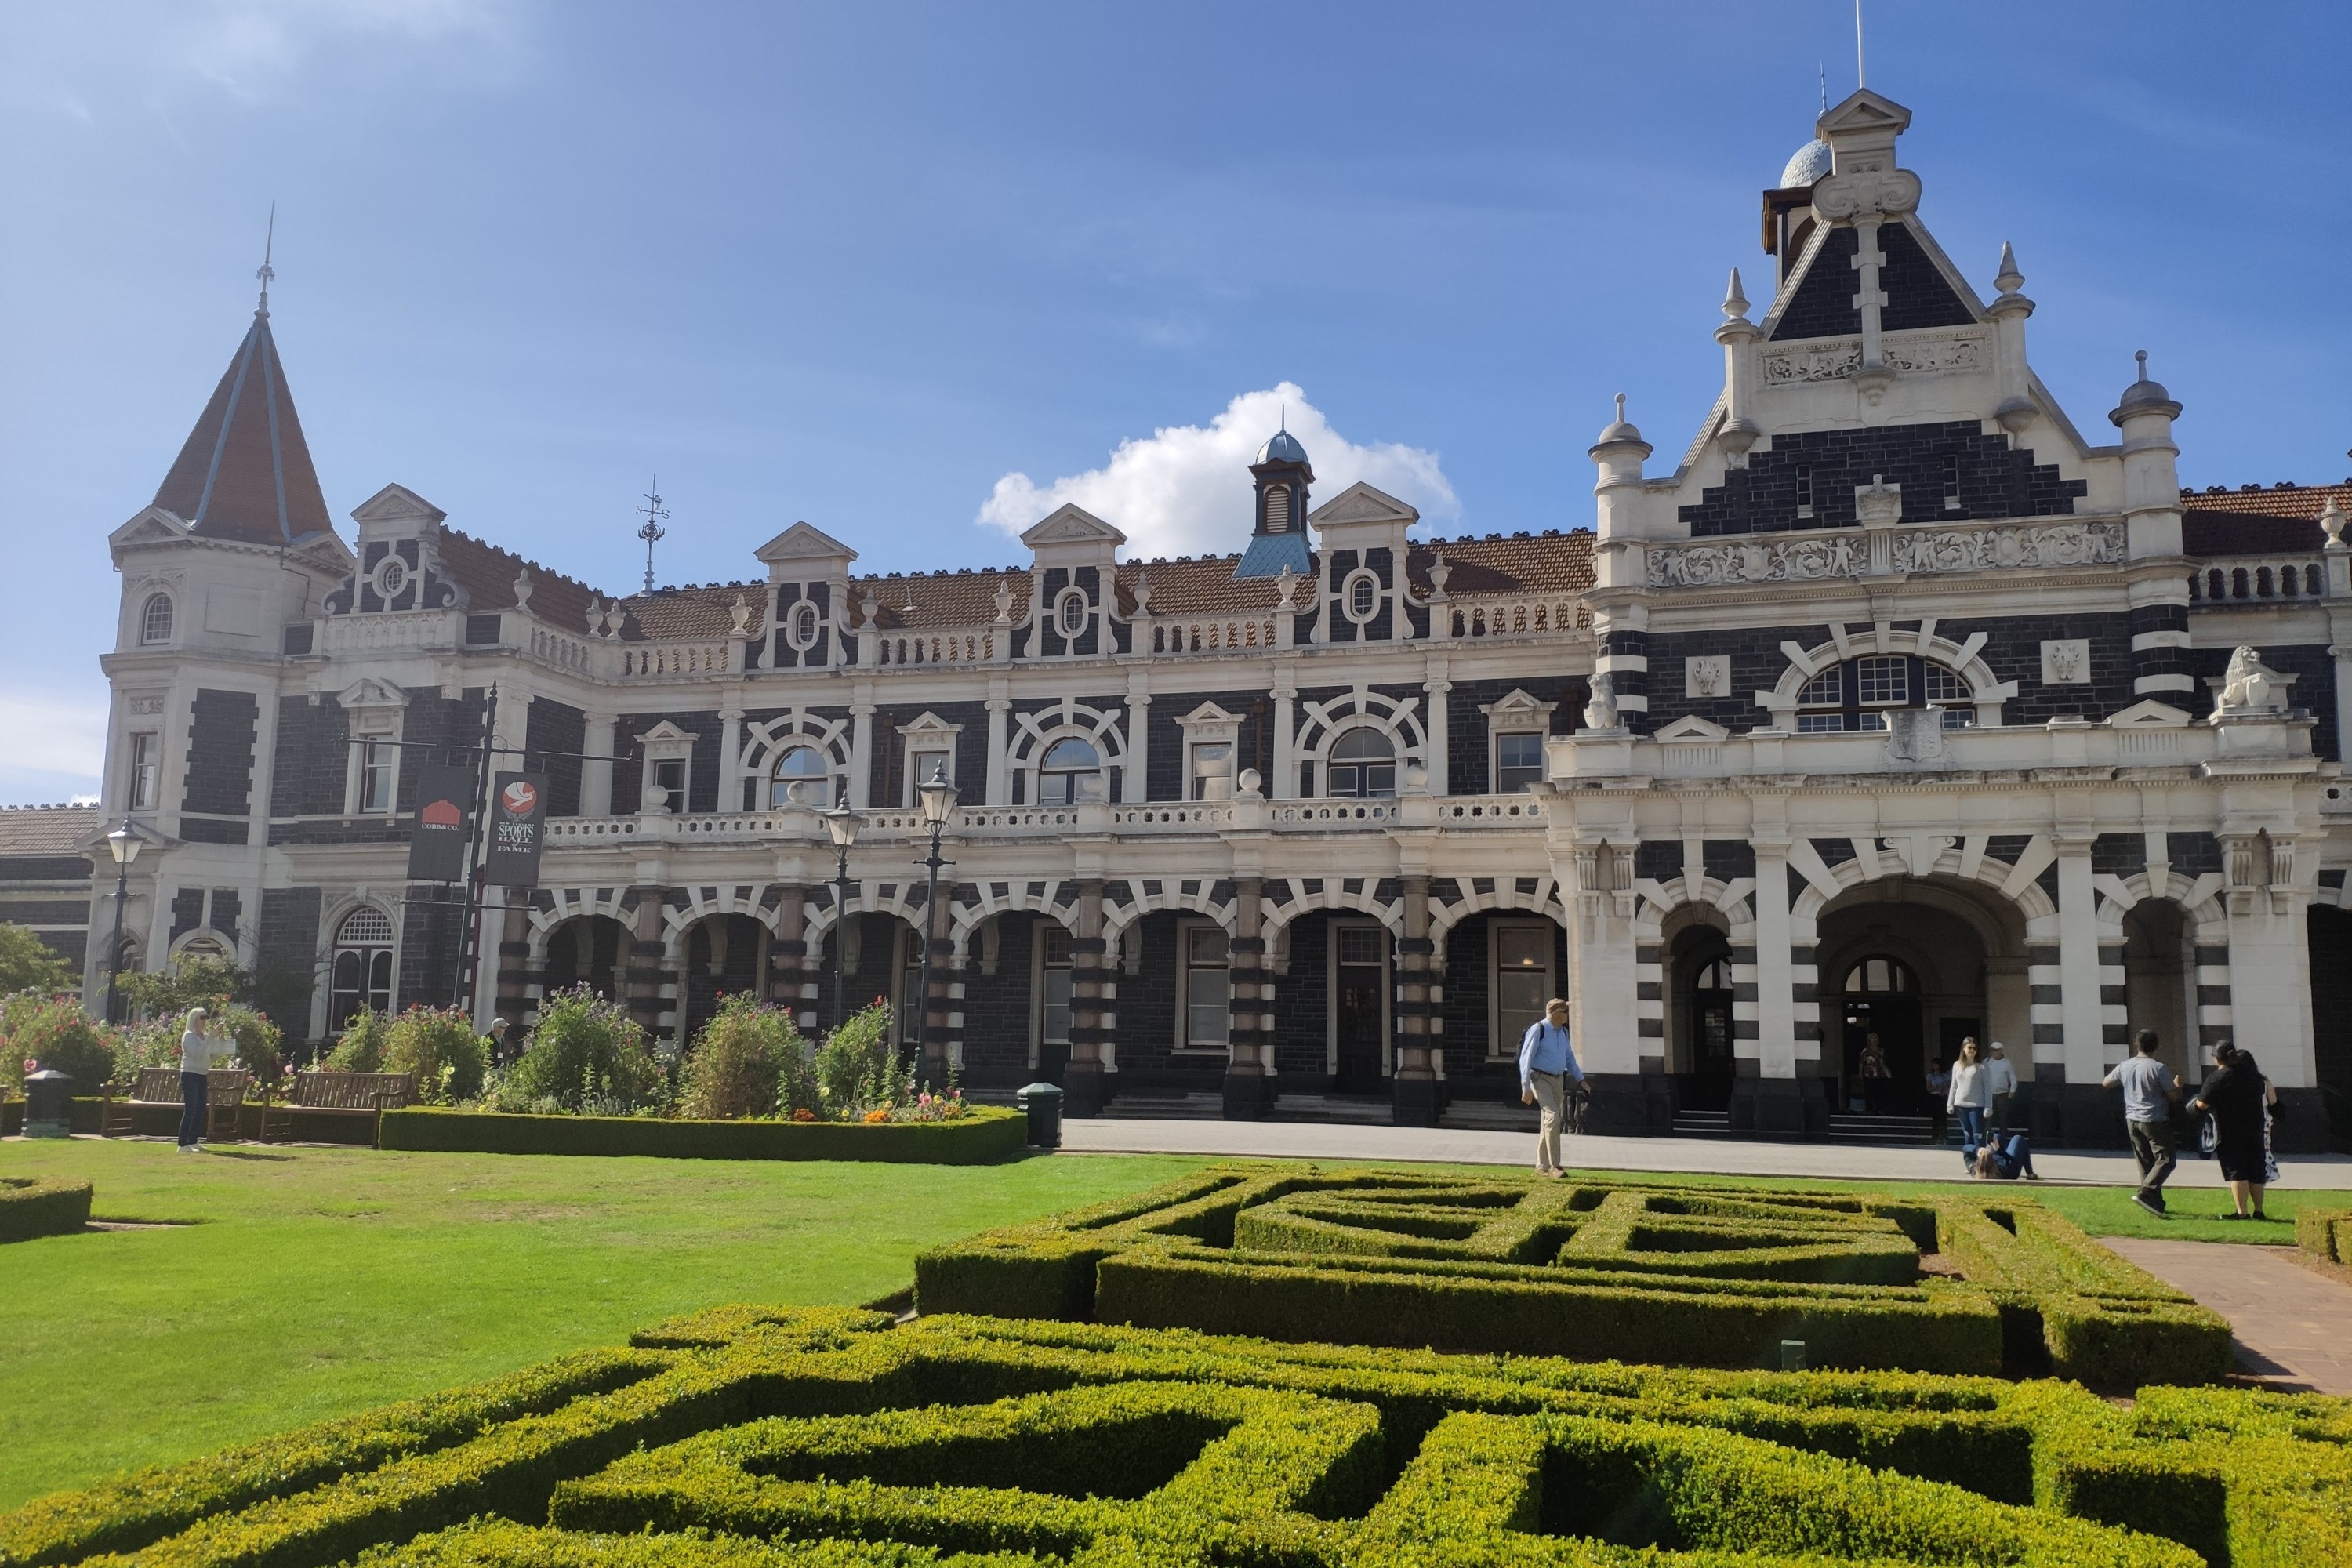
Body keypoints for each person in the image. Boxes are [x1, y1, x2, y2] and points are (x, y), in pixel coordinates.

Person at [2191, 1045, 2278, 1220]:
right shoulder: (2256, 1078)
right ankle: (2259, 1211)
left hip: (2229, 1130)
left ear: (2217, 1058)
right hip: (2255, 1128)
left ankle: (2242, 1212)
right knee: (2255, 1171)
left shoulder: (2217, 1078)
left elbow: (2201, 1105)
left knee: (2237, 1172)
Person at [2102, 1029, 2182, 1218]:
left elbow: (2106, 1083)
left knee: (2146, 1162)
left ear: (2136, 1045)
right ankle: (2146, 1192)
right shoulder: (2158, 1068)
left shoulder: (2125, 1065)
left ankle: (2155, 1203)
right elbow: (2174, 1096)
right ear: (2156, 1046)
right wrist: (2178, 1087)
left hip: (2132, 1119)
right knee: (2166, 1159)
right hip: (2154, 1119)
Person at [1518, 997, 1585, 1178]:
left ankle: (1541, 1166)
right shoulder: (1538, 1030)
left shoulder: (1563, 1032)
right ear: (1555, 1014)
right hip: (1539, 1078)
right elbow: (1526, 1060)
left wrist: (1581, 1078)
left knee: (1548, 1122)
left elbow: (1569, 1057)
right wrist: (1526, 1087)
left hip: (1558, 1080)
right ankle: (1556, 1166)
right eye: (1565, 1012)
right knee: (1553, 1117)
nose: (1568, 1016)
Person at [1946, 1037, 1991, 1168]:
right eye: (1969, 1047)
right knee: (1967, 1135)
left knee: (1978, 1135)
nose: (1972, 1050)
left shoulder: (1981, 1067)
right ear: (1963, 1049)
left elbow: (1987, 1087)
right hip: (1961, 1105)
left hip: (1976, 1106)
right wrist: (1950, 1103)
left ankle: (1981, 1164)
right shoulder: (1957, 1065)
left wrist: (1988, 1106)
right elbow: (1954, 1085)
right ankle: (1970, 1164)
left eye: (1974, 1048)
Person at [176, 1007, 216, 1153]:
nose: (205, 1021)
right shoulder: (188, 1036)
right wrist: (210, 1038)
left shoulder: (204, 1036)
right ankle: (182, 1144)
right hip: (190, 1074)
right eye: (202, 1018)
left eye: (206, 1017)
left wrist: (221, 1045)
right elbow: (197, 1054)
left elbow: (210, 1055)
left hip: (202, 1074)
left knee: (200, 1109)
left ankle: (193, 1140)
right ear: (194, 1019)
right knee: (191, 1108)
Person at [1971, 1129, 2040, 1181]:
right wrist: (1998, 1151)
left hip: (2000, 1162)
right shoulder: (2002, 1168)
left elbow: (1966, 1148)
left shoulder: (1973, 1170)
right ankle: (2030, 1173)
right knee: (2018, 1139)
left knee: (1996, 1136)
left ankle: (2030, 1173)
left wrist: (1978, 1150)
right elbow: (2006, 1160)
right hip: (2011, 1170)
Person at [1985, 1042, 2018, 1134]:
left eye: (1995, 1050)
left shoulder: (2007, 1063)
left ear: (2000, 1051)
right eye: (1992, 1050)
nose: (1993, 1052)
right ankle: (1988, 1134)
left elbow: (2013, 1078)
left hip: (2002, 1094)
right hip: (1989, 1094)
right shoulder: (1987, 1061)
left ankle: (2003, 1135)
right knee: (1988, 1115)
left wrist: (2012, 1091)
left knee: (2003, 1116)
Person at [1857, 1033, 1891, 1115]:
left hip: (1880, 1075)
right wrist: (1860, 1073)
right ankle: (1869, 1109)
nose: (1875, 1041)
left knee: (1879, 1093)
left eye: (1876, 1039)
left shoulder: (1881, 1051)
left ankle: (1880, 1109)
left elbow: (1883, 1062)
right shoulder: (1865, 1052)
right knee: (1869, 1093)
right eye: (1873, 1039)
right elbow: (1861, 1063)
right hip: (1869, 1075)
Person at [1923, 1055, 1951, 1143]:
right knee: (1936, 1119)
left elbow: (1949, 1085)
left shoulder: (1945, 1076)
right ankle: (1935, 1137)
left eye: (1936, 1064)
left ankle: (1944, 1137)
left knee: (1943, 1119)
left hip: (1943, 1097)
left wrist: (1944, 1089)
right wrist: (1936, 1087)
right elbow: (1928, 1088)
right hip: (1934, 1097)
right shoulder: (1930, 1076)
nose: (1935, 1066)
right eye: (1933, 1065)